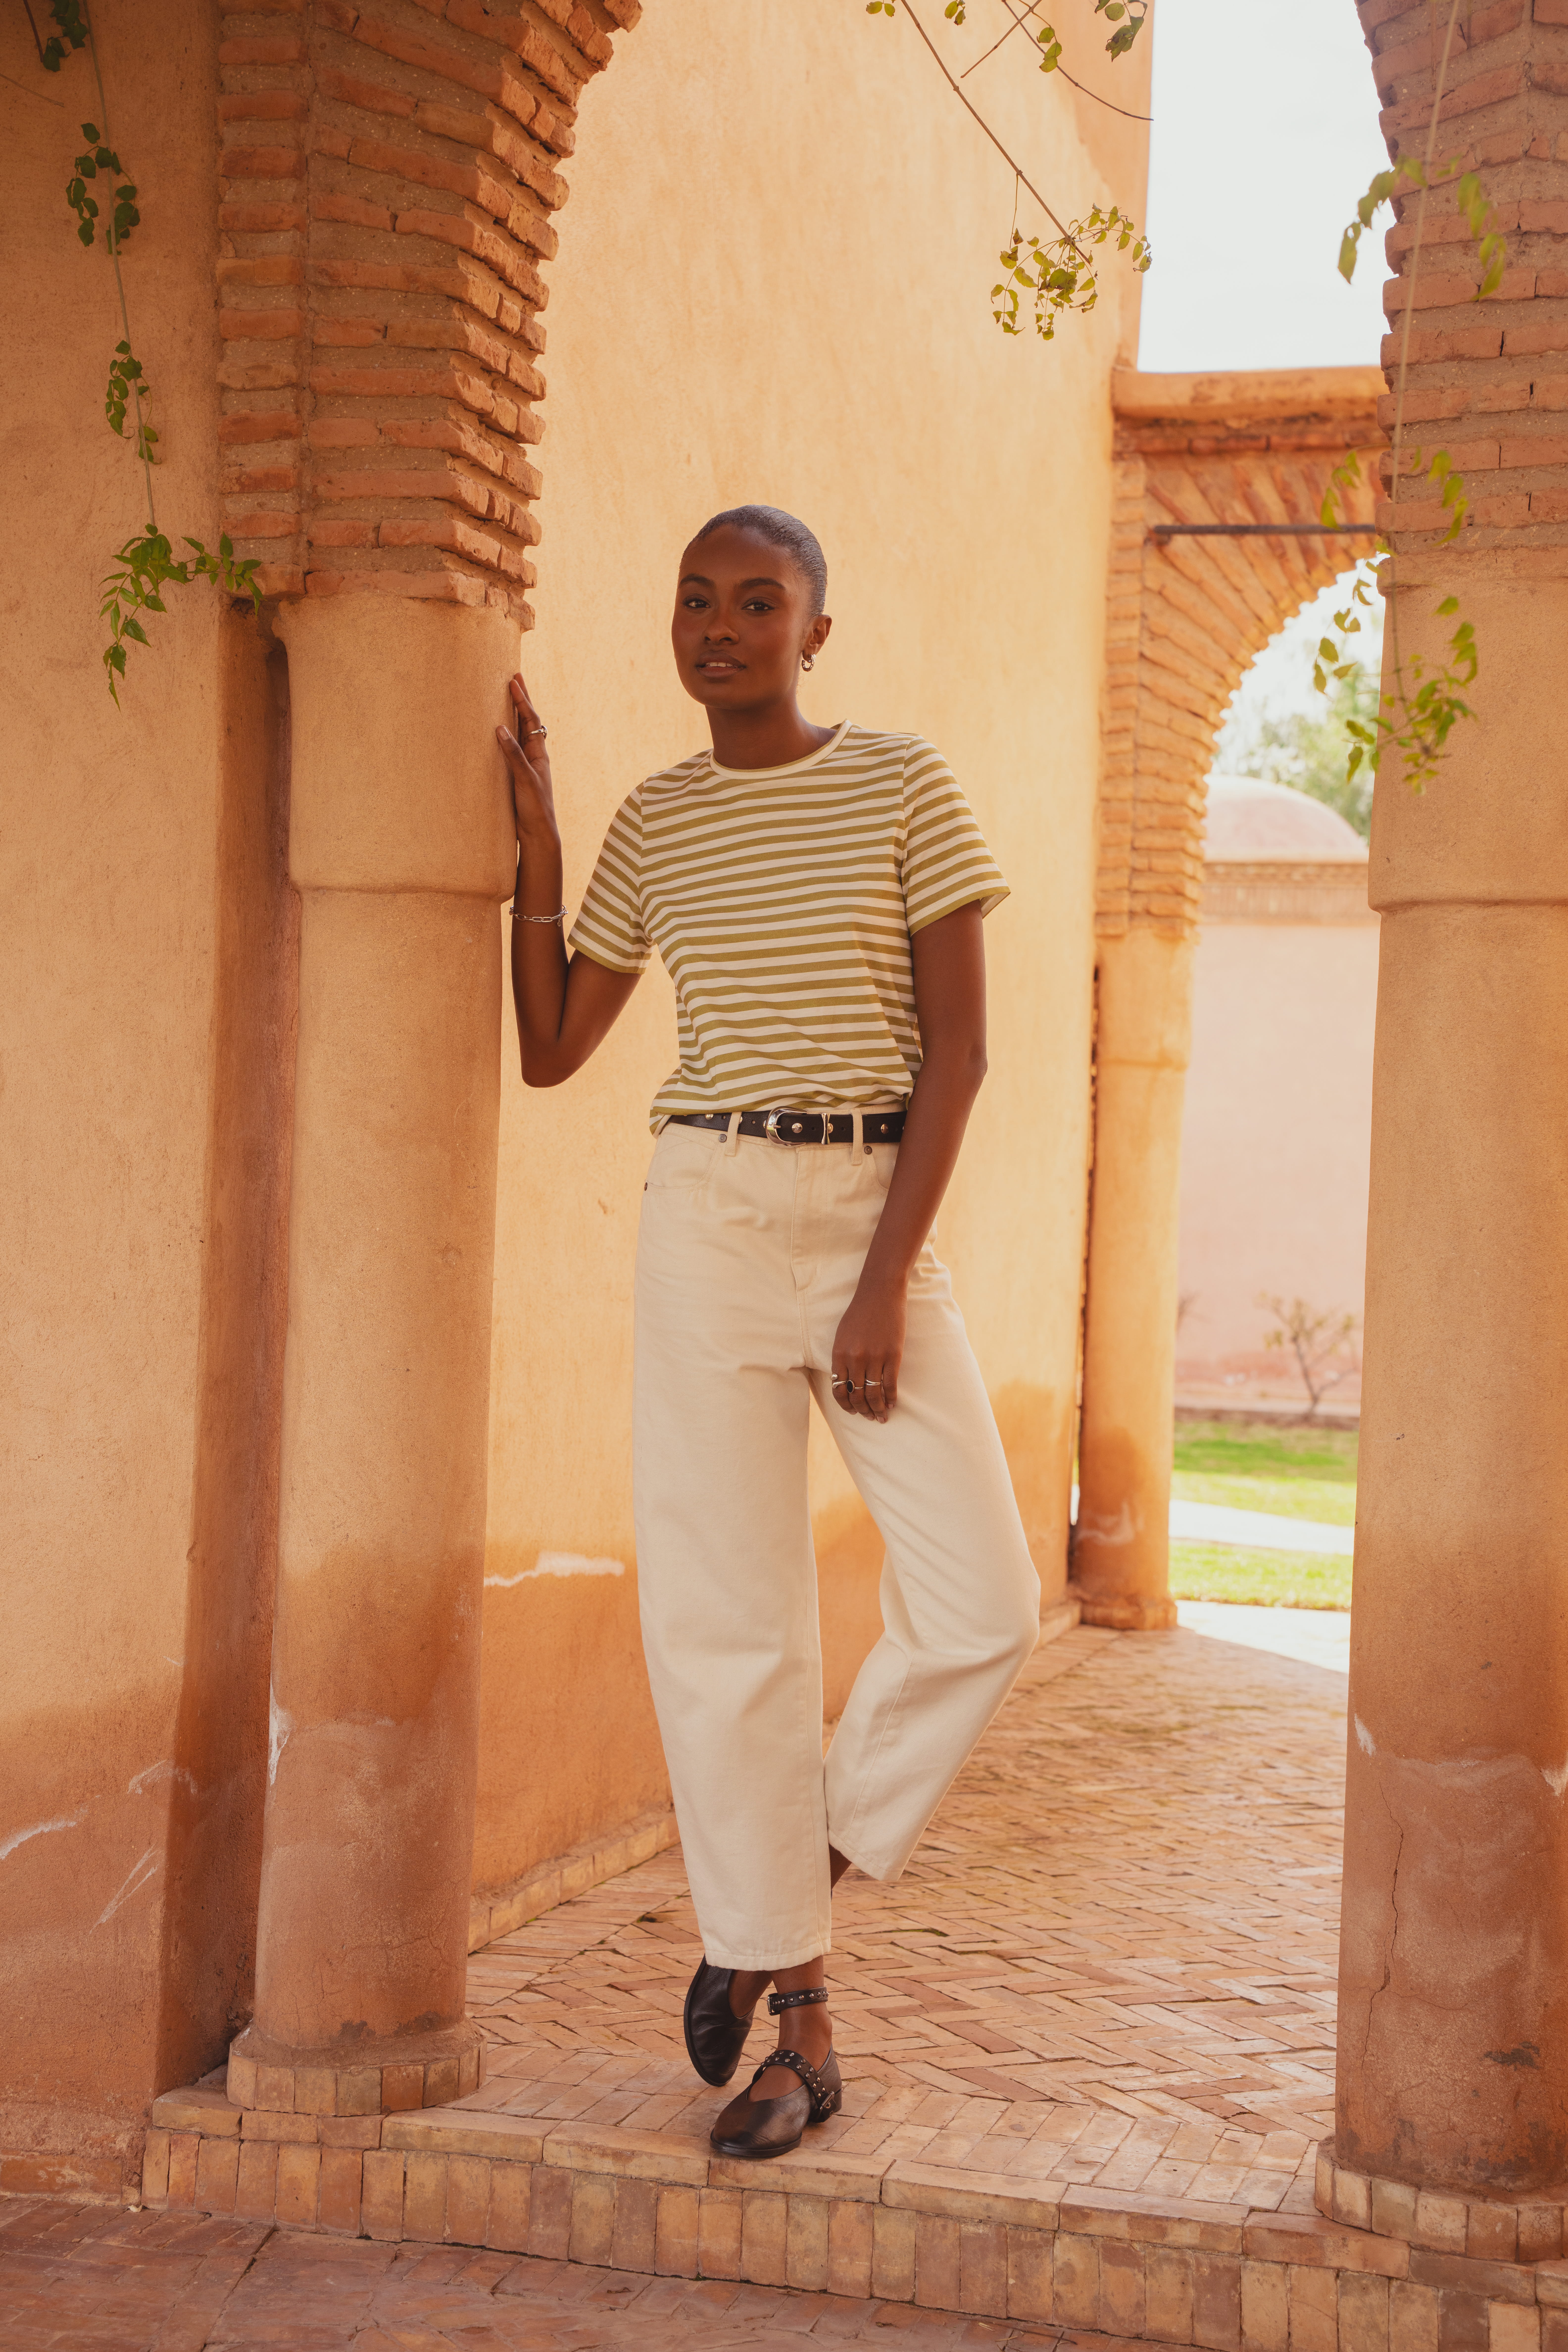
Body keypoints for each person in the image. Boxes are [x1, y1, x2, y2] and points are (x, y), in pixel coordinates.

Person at [496, 504, 1040, 2160]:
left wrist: (882, 1282)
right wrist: (539, 842)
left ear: (817, 632)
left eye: (758, 601)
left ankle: (765, 1885)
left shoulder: (901, 784)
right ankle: (799, 2034)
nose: (719, 624)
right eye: (695, 600)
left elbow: (958, 1055)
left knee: (983, 1603)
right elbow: (550, 1049)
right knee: (732, 1622)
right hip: (708, 1220)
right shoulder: (656, 824)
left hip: (870, 1214)